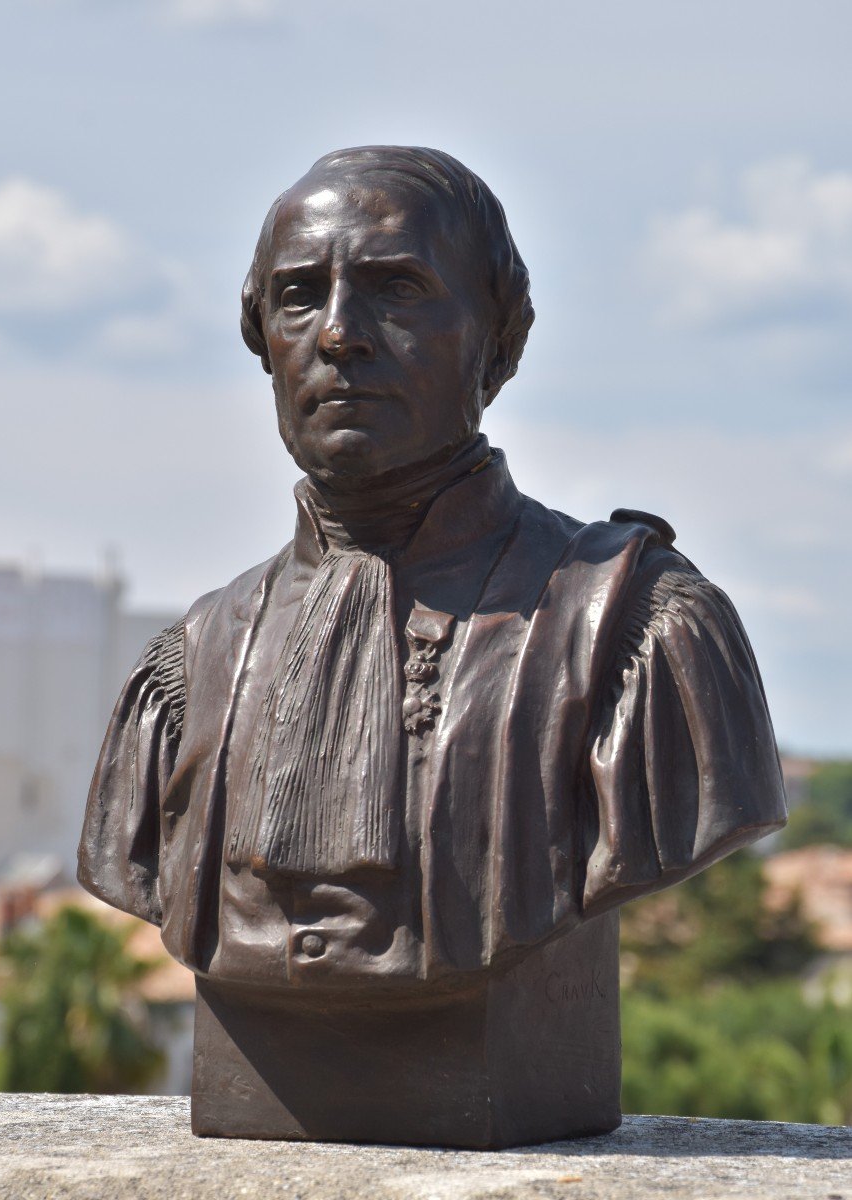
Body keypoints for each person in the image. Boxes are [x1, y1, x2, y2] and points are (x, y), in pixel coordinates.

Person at [78, 147, 787, 1143]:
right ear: (260, 341)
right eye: (295, 298)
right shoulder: (189, 664)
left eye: (394, 290)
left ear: (500, 341)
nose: (336, 334)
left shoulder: (637, 631)